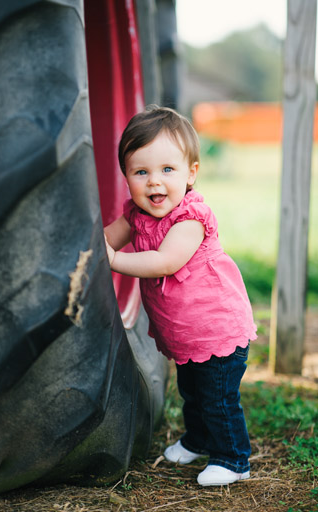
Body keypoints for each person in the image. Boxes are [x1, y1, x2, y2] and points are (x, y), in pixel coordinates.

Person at [103, 106, 257, 487]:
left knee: (218, 398)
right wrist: (90, 246)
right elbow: (104, 238)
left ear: (191, 173)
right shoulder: (136, 214)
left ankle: (233, 459)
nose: (154, 182)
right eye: (141, 172)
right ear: (127, 177)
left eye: (167, 170)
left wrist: (114, 260)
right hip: (187, 335)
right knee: (192, 391)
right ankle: (198, 439)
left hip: (218, 331)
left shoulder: (191, 217)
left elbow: (164, 262)